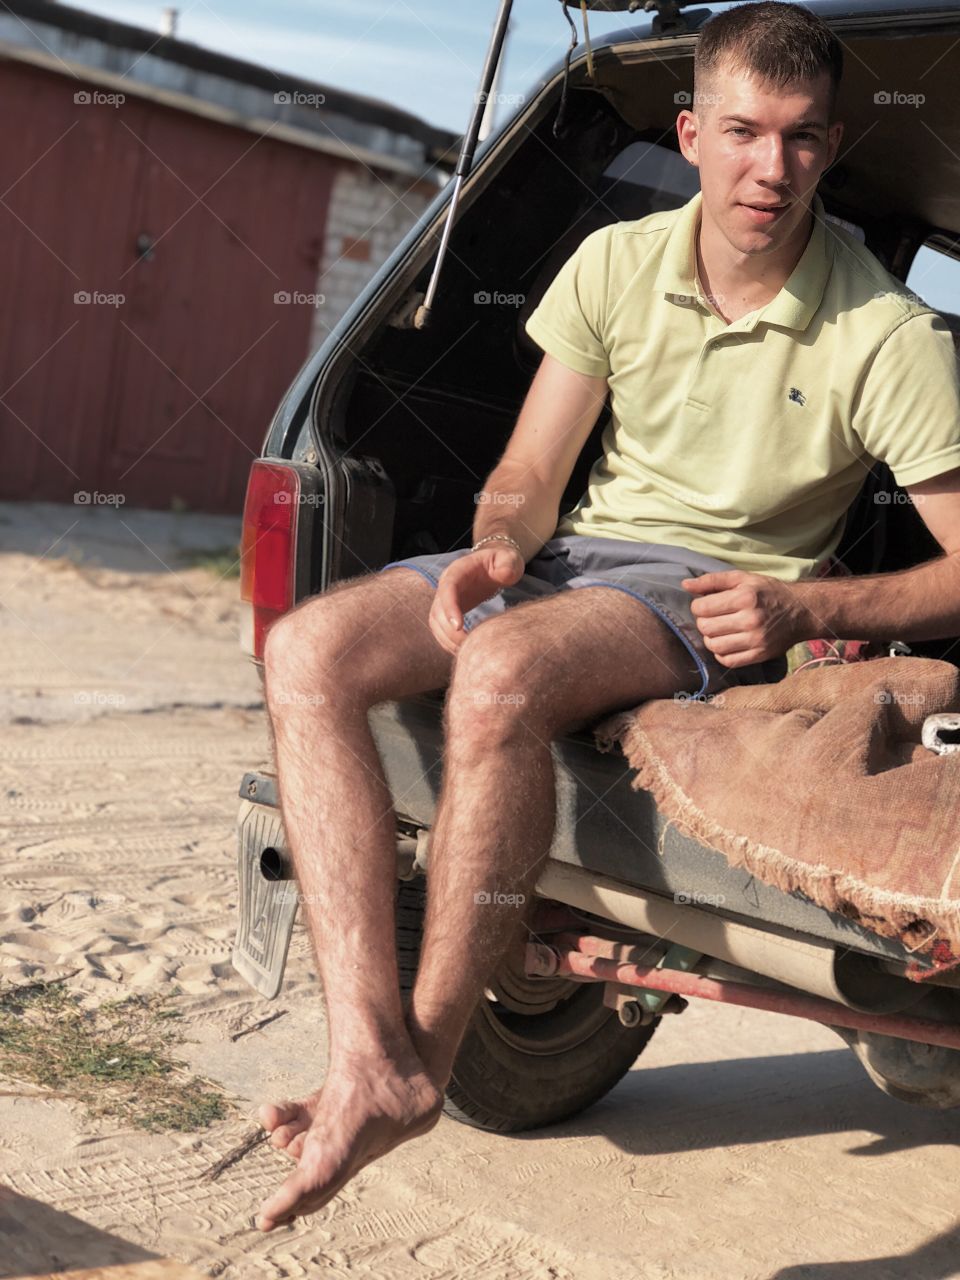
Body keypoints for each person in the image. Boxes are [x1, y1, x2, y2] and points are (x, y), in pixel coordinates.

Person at [255, 0, 960, 1232]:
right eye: (743, 131)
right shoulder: (613, 265)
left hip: (698, 590)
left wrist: (806, 606)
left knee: (503, 676)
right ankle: (365, 1047)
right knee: (307, 646)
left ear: (834, 147)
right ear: (692, 131)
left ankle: (424, 1048)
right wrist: (494, 545)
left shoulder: (886, 335)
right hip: (572, 553)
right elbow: (532, 471)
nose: (769, 166)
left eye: (799, 139)